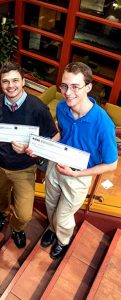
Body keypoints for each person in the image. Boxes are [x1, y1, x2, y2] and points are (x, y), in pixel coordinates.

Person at [40, 62, 118, 259]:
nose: (68, 92)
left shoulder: (103, 124)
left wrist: (77, 174)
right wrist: (45, 146)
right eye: (64, 86)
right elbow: (61, 132)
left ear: (89, 87)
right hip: (56, 165)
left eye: (75, 86)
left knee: (64, 216)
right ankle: (51, 228)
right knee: (50, 204)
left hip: (78, 175)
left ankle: (63, 240)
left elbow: (111, 164)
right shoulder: (61, 107)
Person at [0, 61, 59, 248]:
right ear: (1, 84)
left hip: (24, 168)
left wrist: (31, 147)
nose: (10, 86)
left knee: (25, 213)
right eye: (5, 81)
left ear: (23, 81)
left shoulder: (38, 108)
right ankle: (3, 213)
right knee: (2, 194)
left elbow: (54, 136)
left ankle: (17, 228)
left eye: (15, 80)